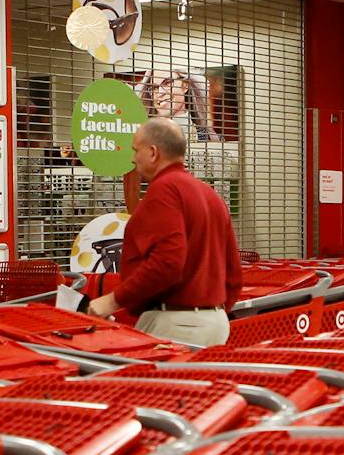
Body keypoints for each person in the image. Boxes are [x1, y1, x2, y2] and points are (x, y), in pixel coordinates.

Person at [87, 118, 241, 346]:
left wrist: (111, 302)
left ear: (153, 153)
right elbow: (233, 274)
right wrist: (210, 311)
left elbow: (167, 261)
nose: (132, 158)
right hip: (215, 323)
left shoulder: (164, 192)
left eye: (135, 150)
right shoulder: (210, 195)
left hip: (175, 324)